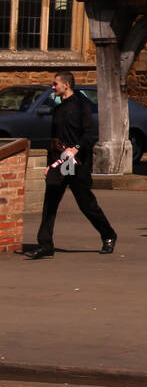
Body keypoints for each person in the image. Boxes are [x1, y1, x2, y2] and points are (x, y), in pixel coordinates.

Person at [24, 72, 117, 259]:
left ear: (66, 85)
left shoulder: (82, 105)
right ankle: (45, 244)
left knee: (86, 204)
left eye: (55, 84)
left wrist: (75, 149)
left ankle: (108, 235)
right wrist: (51, 164)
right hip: (60, 162)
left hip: (76, 163)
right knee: (50, 201)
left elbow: (88, 133)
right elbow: (54, 138)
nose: (52, 87)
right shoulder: (58, 109)